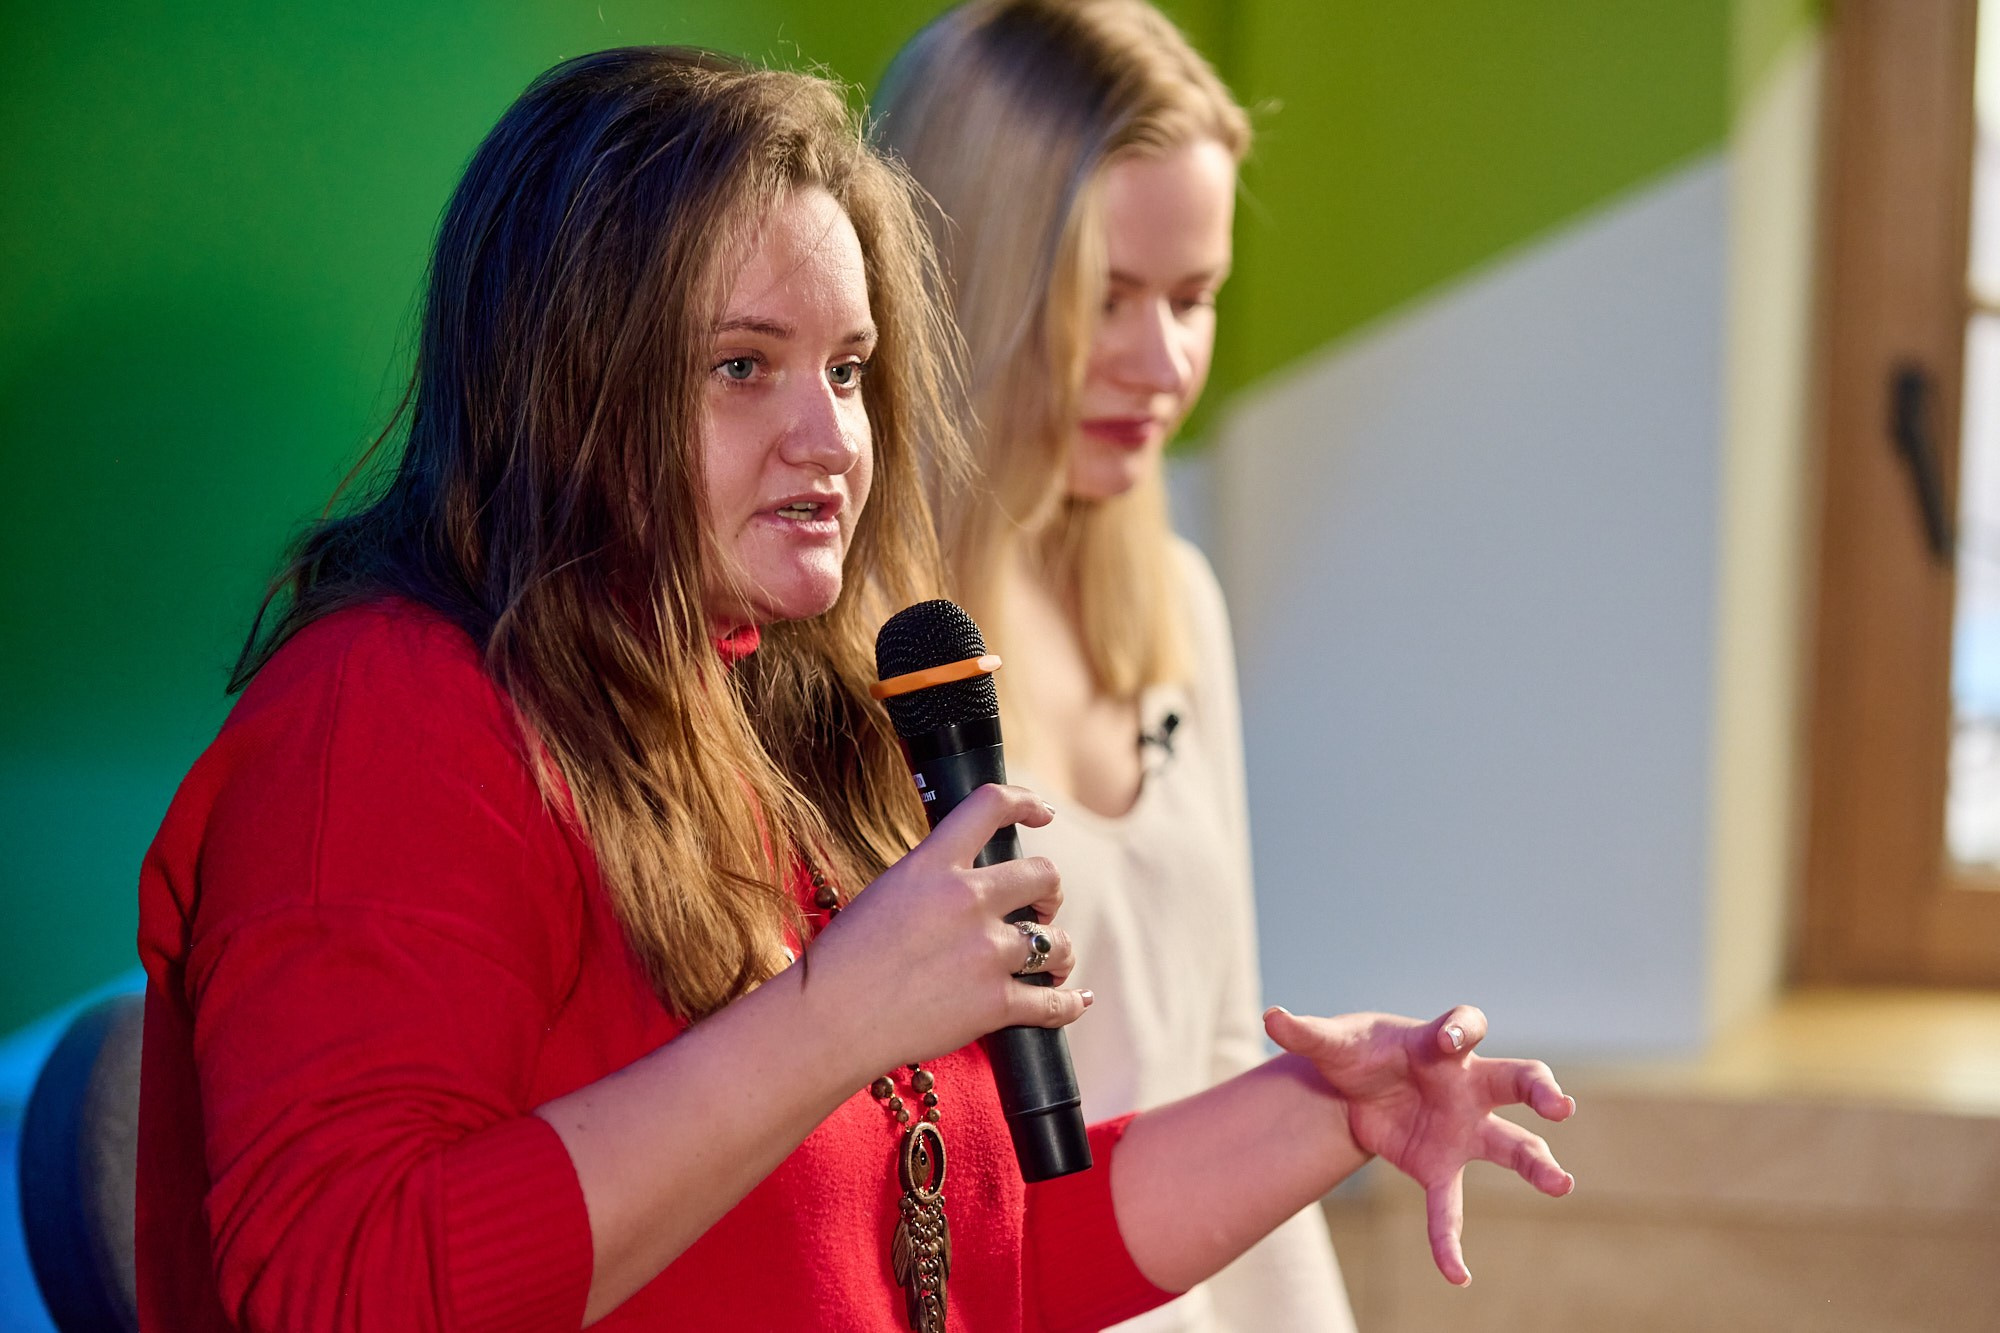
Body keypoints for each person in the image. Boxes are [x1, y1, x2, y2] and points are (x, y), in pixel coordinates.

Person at [135, 45, 1576, 1333]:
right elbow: (341, 1285)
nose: (828, 435)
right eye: (743, 366)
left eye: (849, 365)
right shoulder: (382, 711)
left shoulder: (774, 700)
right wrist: (830, 1016)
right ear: (564, 384)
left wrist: (1332, 1110)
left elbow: (973, 1261)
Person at [875, 4, 1370, 1328]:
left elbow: (1222, 1055)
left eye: (1196, 299)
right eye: (1110, 295)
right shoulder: (853, 653)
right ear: (963, 277)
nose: (1165, 365)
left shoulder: (1179, 611)